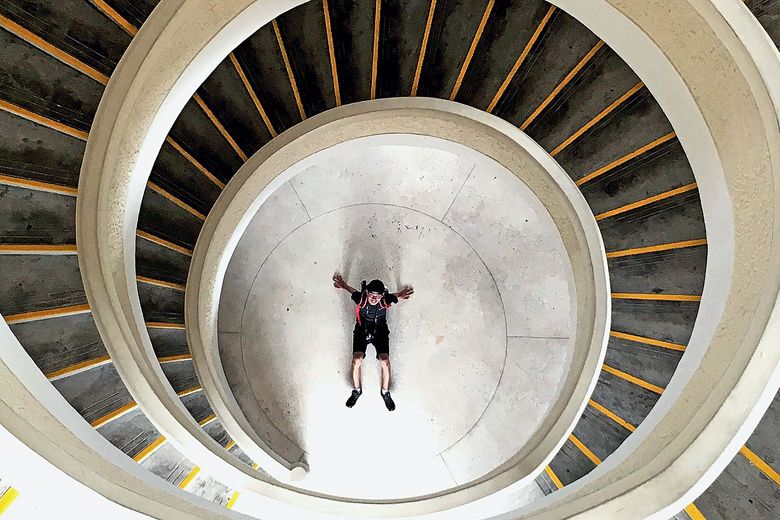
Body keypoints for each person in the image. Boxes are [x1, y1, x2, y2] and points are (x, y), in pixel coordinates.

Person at [332, 273, 414, 411]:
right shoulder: (361, 299)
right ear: (367, 293)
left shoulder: (384, 300)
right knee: (356, 359)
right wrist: (344, 285)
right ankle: (357, 390)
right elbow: (353, 291)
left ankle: (385, 392)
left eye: (378, 296)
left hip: (380, 330)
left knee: (385, 361)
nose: (374, 299)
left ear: (382, 295)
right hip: (362, 329)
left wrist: (401, 293)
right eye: (371, 295)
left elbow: (394, 296)